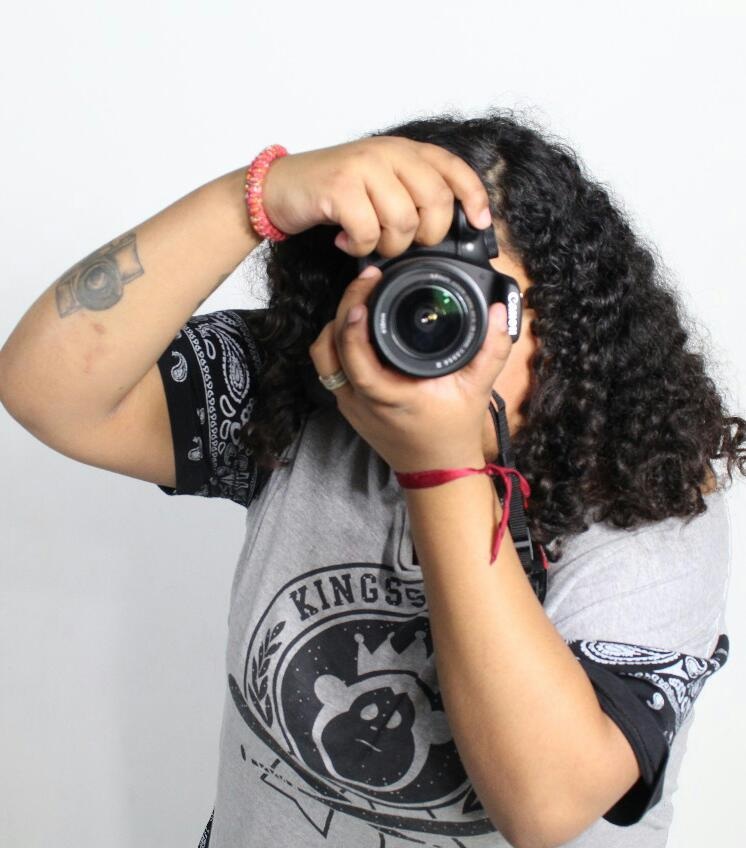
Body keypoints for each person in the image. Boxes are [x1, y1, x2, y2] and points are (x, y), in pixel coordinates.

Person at [0, 108, 743, 848]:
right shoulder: (312, 389)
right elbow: (47, 390)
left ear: (568, 317)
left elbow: (546, 807)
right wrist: (255, 198)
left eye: (468, 295)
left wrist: (440, 468)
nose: (431, 325)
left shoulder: (652, 496)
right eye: (402, 289)